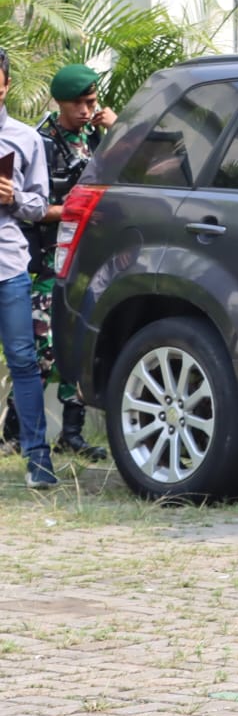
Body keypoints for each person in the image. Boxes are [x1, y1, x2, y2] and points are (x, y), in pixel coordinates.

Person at [3, 63, 115, 462]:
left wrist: (116, 132)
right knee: (39, 345)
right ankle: (15, 432)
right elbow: (27, 206)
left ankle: (72, 433)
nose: (87, 110)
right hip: (48, 260)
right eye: (79, 104)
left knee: (79, 341)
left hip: (91, 258)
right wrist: (71, 210)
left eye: (92, 101)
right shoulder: (40, 141)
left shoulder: (96, 135)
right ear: (60, 102)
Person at [0, 48, 55, 487]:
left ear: (5, 85)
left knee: (23, 359)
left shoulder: (25, 138)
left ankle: (39, 462)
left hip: (8, 264)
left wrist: (13, 197)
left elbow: (38, 206)